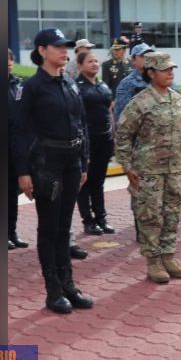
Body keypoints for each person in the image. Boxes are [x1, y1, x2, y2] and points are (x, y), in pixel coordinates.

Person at [13, 28, 94, 314]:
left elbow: (81, 123)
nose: (65, 51)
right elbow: (19, 131)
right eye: (58, 46)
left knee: (64, 226)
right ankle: (53, 290)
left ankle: (69, 284)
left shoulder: (70, 83)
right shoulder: (32, 87)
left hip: (71, 163)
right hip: (47, 165)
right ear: (42, 51)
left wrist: (83, 162)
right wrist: (22, 172)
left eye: (66, 47)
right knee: (49, 227)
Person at [115, 52, 181, 283]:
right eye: (164, 69)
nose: (170, 73)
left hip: (173, 169)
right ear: (151, 73)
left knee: (173, 213)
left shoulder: (177, 99)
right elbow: (123, 135)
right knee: (150, 216)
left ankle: (169, 257)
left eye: (172, 69)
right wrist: (127, 165)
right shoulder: (141, 102)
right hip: (148, 171)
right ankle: (153, 262)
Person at [75, 51, 116, 235]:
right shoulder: (77, 87)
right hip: (87, 141)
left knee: (99, 181)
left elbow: (109, 111)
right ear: (80, 65)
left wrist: (113, 136)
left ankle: (101, 218)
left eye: (96, 61)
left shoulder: (103, 85)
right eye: (90, 61)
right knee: (85, 182)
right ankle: (88, 221)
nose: (94, 64)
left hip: (104, 140)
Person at [8, 48, 29, 250]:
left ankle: (12, 232)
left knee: (12, 193)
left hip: (14, 146)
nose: (8, 63)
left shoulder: (18, 85)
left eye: (10, 60)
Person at [114, 43, 154, 123]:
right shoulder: (127, 83)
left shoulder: (157, 79)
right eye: (142, 56)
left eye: (149, 55)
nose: (147, 59)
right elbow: (121, 115)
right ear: (133, 60)